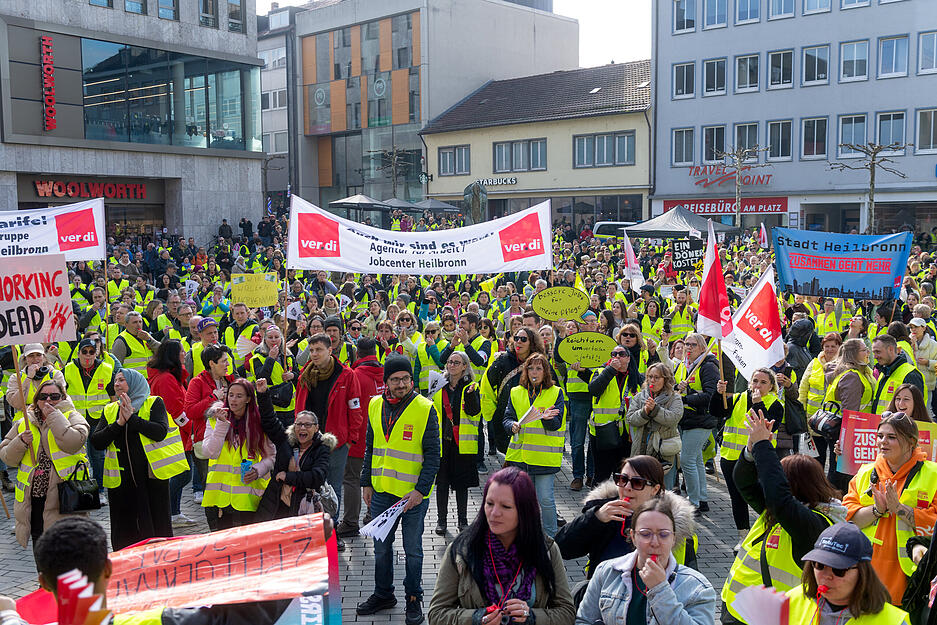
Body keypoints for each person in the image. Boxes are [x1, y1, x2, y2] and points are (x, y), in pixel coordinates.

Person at [720, 411, 844, 624]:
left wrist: (763, 446)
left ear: (794, 486)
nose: (768, 485)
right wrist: (751, 449)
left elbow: (778, 497)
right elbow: (744, 482)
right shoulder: (780, 509)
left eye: (781, 479)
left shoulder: (815, 524)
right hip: (740, 611)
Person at [427, 466, 576, 625]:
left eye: (506, 506)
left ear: (525, 511)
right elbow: (437, 614)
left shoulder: (546, 549)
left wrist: (532, 617)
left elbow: (567, 613)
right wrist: (476, 618)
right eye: (489, 503)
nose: (494, 513)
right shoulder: (461, 550)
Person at [358, 355, 440, 625]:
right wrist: (366, 481)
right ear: (386, 382)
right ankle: (383, 594)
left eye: (406, 379)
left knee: (412, 550)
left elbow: (433, 456)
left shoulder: (425, 408)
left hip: (412, 496)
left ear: (412, 381)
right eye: (395, 380)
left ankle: (414, 598)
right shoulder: (374, 405)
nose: (401, 384)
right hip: (382, 491)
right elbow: (371, 447)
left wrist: (420, 491)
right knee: (381, 548)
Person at [556, 455, 698, 602]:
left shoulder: (673, 525)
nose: (627, 487)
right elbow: (562, 549)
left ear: (655, 489)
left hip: (653, 605)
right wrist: (594, 518)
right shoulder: (605, 513)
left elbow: (690, 585)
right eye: (622, 479)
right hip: (602, 601)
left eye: (637, 482)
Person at [575, 494, 716, 625]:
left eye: (663, 534)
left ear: (673, 538)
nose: (654, 542)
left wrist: (660, 590)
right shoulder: (607, 571)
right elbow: (584, 620)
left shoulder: (698, 588)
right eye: (645, 534)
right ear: (633, 537)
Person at [843, 412, 937, 604]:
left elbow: (934, 523)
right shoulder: (865, 472)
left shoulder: (933, 474)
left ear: (911, 442)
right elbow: (847, 518)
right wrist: (877, 510)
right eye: (880, 436)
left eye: (891, 437)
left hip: (910, 576)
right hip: (866, 571)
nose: (882, 442)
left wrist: (899, 509)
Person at [91, 368, 187, 550]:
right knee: (124, 535)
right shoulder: (110, 409)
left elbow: (159, 432)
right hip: (121, 483)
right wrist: (119, 423)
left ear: (134, 383)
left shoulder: (153, 402)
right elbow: (97, 442)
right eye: (116, 380)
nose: (117, 384)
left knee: (155, 531)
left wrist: (131, 419)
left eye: (122, 380)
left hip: (150, 479)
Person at [0, 380, 89, 550]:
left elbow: (74, 442)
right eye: (43, 396)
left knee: (64, 549)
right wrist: (20, 441)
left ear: (62, 397)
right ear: (36, 399)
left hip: (65, 495)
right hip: (34, 496)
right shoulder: (25, 421)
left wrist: (54, 416)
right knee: (40, 547)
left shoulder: (72, 416)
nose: (48, 400)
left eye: (54, 396)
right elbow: (6, 457)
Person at [294, 333, 364, 547]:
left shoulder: (346, 375)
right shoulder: (305, 375)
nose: (314, 354)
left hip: (336, 443)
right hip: (308, 441)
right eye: (311, 350)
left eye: (318, 350)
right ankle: (312, 533)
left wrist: (350, 440)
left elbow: (355, 409)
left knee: (332, 489)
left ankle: (331, 534)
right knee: (308, 487)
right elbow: (299, 406)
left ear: (330, 350)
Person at [785, 523, 910, 625]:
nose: (827, 576)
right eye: (819, 565)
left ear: (862, 573)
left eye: (839, 570)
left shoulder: (892, 621)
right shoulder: (789, 600)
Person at [716, 368, 784, 551]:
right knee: (737, 498)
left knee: (763, 497)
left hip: (759, 460)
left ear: (771, 386)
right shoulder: (738, 397)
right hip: (731, 457)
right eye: (755, 381)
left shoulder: (776, 404)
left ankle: (769, 531)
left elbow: (766, 426)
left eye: (763, 382)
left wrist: (757, 404)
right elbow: (716, 411)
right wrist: (719, 394)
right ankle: (743, 535)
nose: (758, 386)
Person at [503, 352, 566, 539]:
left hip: (544, 457)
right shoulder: (516, 391)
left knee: (545, 499)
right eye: (530, 368)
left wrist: (547, 419)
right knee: (522, 502)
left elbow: (556, 424)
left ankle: (550, 538)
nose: (534, 372)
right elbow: (507, 418)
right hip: (520, 457)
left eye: (539, 368)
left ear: (545, 371)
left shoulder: (556, 392)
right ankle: (524, 537)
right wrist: (511, 426)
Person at [255, 375, 335, 521]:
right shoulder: (285, 440)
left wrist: (288, 477)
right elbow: (269, 420)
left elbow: (317, 477)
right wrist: (263, 394)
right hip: (275, 506)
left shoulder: (321, 448)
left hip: (302, 509)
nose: (302, 428)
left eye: (307, 425)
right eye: (299, 424)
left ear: (316, 428)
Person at [201, 378, 276, 530]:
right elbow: (209, 452)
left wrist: (258, 470)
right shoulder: (215, 419)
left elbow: (271, 456)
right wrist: (222, 424)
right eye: (231, 395)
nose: (233, 400)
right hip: (219, 498)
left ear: (248, 399)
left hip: (248, 498)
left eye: (239, 396)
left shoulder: (259, 422)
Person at [147, 339, 196, 528]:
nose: (185, 354)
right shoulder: (166, 379)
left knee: (182, 473)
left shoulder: (170, 376)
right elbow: (175, 410)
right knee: (183, 474)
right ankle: (167, 511)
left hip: (178, 432)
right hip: (175, 434)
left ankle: (173, 512)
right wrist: (192, 429)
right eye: (182, 351)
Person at [431, 351, 481, 535]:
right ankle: (441, 521)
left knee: (461, 485)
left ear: (464, 366)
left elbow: (475, 412)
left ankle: (462, 520)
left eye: (456, 362)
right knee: (442, 483)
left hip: (462, 443)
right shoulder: (439, 384)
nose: (451, 365)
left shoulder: (471, 386)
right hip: (442, 442)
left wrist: (470, 396)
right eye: (450, 362)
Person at [481, 327, 548, 455]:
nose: (519, 342)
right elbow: (486, 385)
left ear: (532, 342)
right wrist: (492, 413)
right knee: (509, 454)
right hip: (507, 417)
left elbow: (550, 386)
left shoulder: (541, 362)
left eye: (523, 339)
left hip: (533, 418)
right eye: (516, 338)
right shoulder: (502, 360)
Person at [62, 337, 116, 494]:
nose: (88, 355)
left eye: (91, 352)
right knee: (77, 455)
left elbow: (113, 396)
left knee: (98, 455)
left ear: (96, 353)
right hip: (75, 419)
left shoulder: (106, 369)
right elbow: (61, 395)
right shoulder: (68, 369)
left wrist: (113, 418)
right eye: (84, 351)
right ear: (78, 353)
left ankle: (99, 490)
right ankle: (78, 489)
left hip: (98, 419)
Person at [677, 333, 720, 515]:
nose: (688, 347)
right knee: (696, 460)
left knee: (686, 460)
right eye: (687, 344)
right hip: (689, 419)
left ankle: (693, 502)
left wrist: (686, 398)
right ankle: (701, 499)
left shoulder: (708, 366)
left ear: (703, 348)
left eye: (693, 345)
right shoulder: (686, 365)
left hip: (701, 419)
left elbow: (710, 395)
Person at [588, 345, 641, 483]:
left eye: (621, 354)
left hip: (627, 434)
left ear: (628, 358)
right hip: (603, 430)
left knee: (622, 475)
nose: (617, 357)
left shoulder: (636, 377)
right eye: (614, 354)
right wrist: (611, 370)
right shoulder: (601, 371)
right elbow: (594, 390)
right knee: (601, 475)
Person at [627, 363, 684, 490]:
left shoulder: (674, 398)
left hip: (664, 453)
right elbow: (631, 419)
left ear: (666, 379)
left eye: (657, 377)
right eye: (650, 377)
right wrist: (644, 412)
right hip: (641, 449)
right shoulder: (640, 397)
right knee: (642, 489)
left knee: (664, 490)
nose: (652, 380)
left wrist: (655, 410)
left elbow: (673, 418)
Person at [872, 335, 926, 413]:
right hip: (883, 420)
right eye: (874, 352)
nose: (875, 356)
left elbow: (916, 409)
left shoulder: (910, 374)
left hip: (898, 421)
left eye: (878, 352)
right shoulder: (884, 372)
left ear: (890, 349)